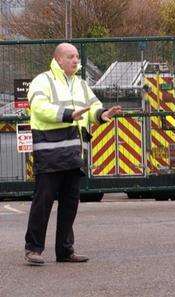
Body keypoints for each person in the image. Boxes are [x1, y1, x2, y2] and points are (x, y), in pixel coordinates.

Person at [24, 43, 122, 265]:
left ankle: (65, 251)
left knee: (70, 204)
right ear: (58, 59)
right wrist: (68, 114)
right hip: (49, 152)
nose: (76, 60)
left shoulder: (80, 84)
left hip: (73, 154)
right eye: (71, 56)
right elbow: (38, 107)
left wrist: (102, 114)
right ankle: (33, 249)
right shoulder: (43, 80)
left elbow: (93, 106)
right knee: (43, 203)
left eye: (77, 56)